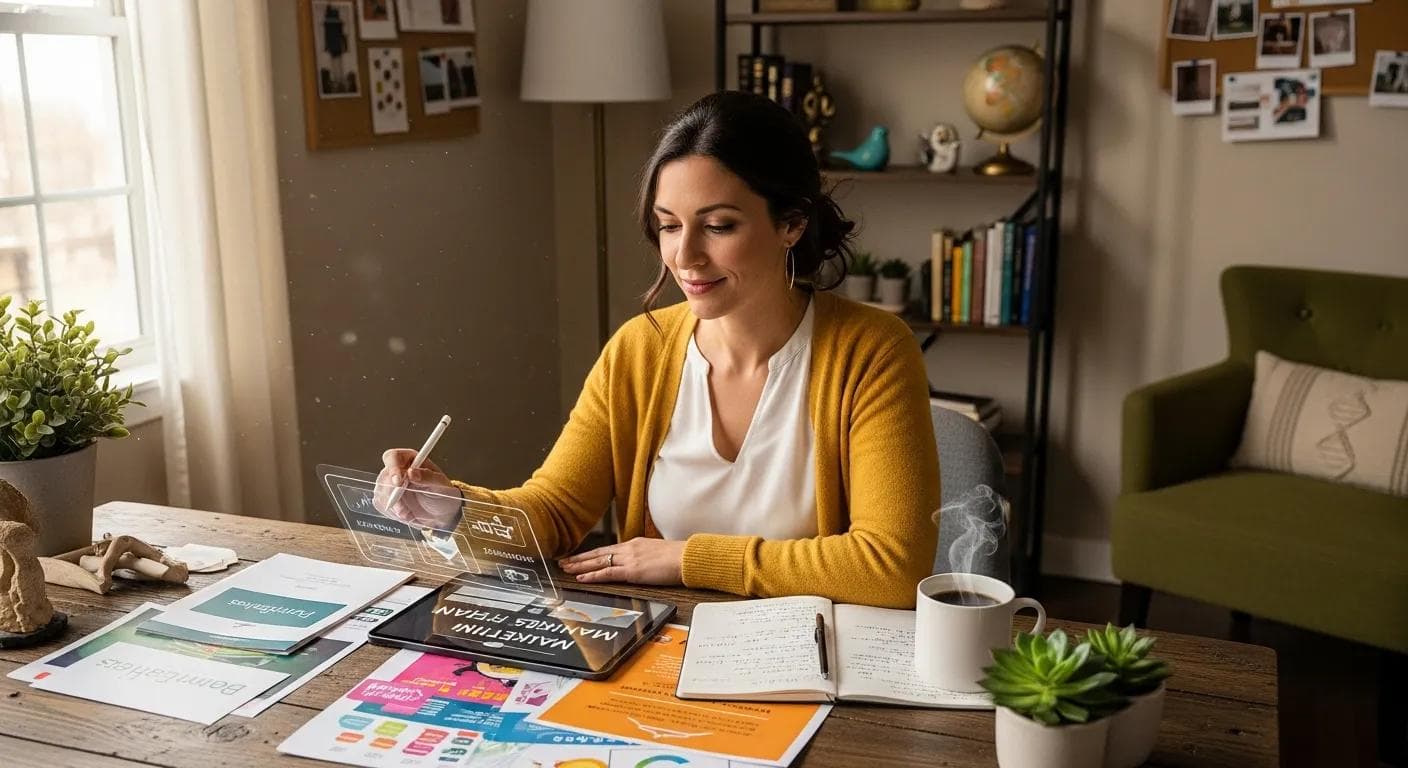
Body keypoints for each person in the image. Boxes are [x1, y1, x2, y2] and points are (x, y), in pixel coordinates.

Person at [376, 91, 940, 609]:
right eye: (668, 226)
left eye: (718, 226)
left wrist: (686, 557)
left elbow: (892, 565)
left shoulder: (871, 352)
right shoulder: (639, 350)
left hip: (815, 661)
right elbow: (553, 510)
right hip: (664, 645)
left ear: (791, 223)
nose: (685, 256)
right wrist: (452, 509)